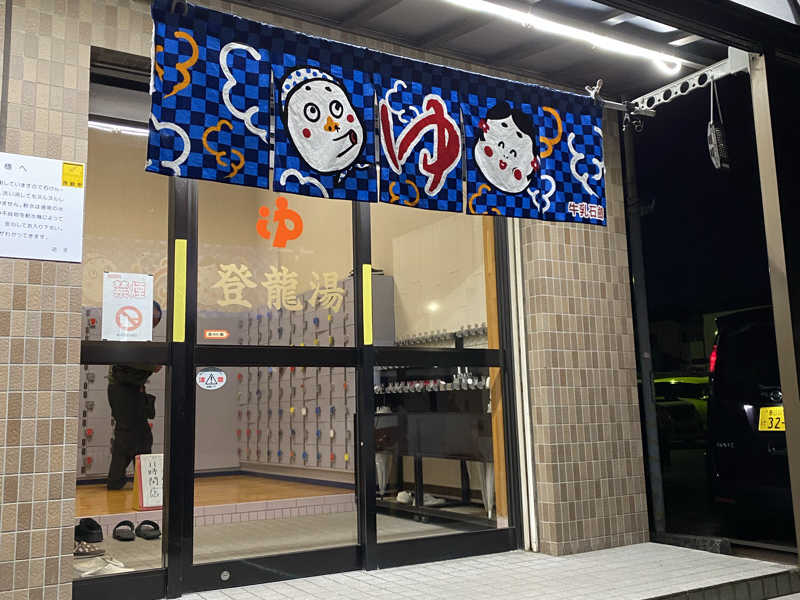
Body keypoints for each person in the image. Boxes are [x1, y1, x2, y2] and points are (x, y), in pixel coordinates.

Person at [106, 300, 163, 490]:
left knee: (133, 435)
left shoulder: (136, 334)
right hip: (123, 391)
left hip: (128, 390)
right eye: (152, 318)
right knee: (132, 435)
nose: (154, 322)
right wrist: (152, 365)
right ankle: (142, 482)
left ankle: (125, 480)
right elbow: (125, 359)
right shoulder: (127, 333)